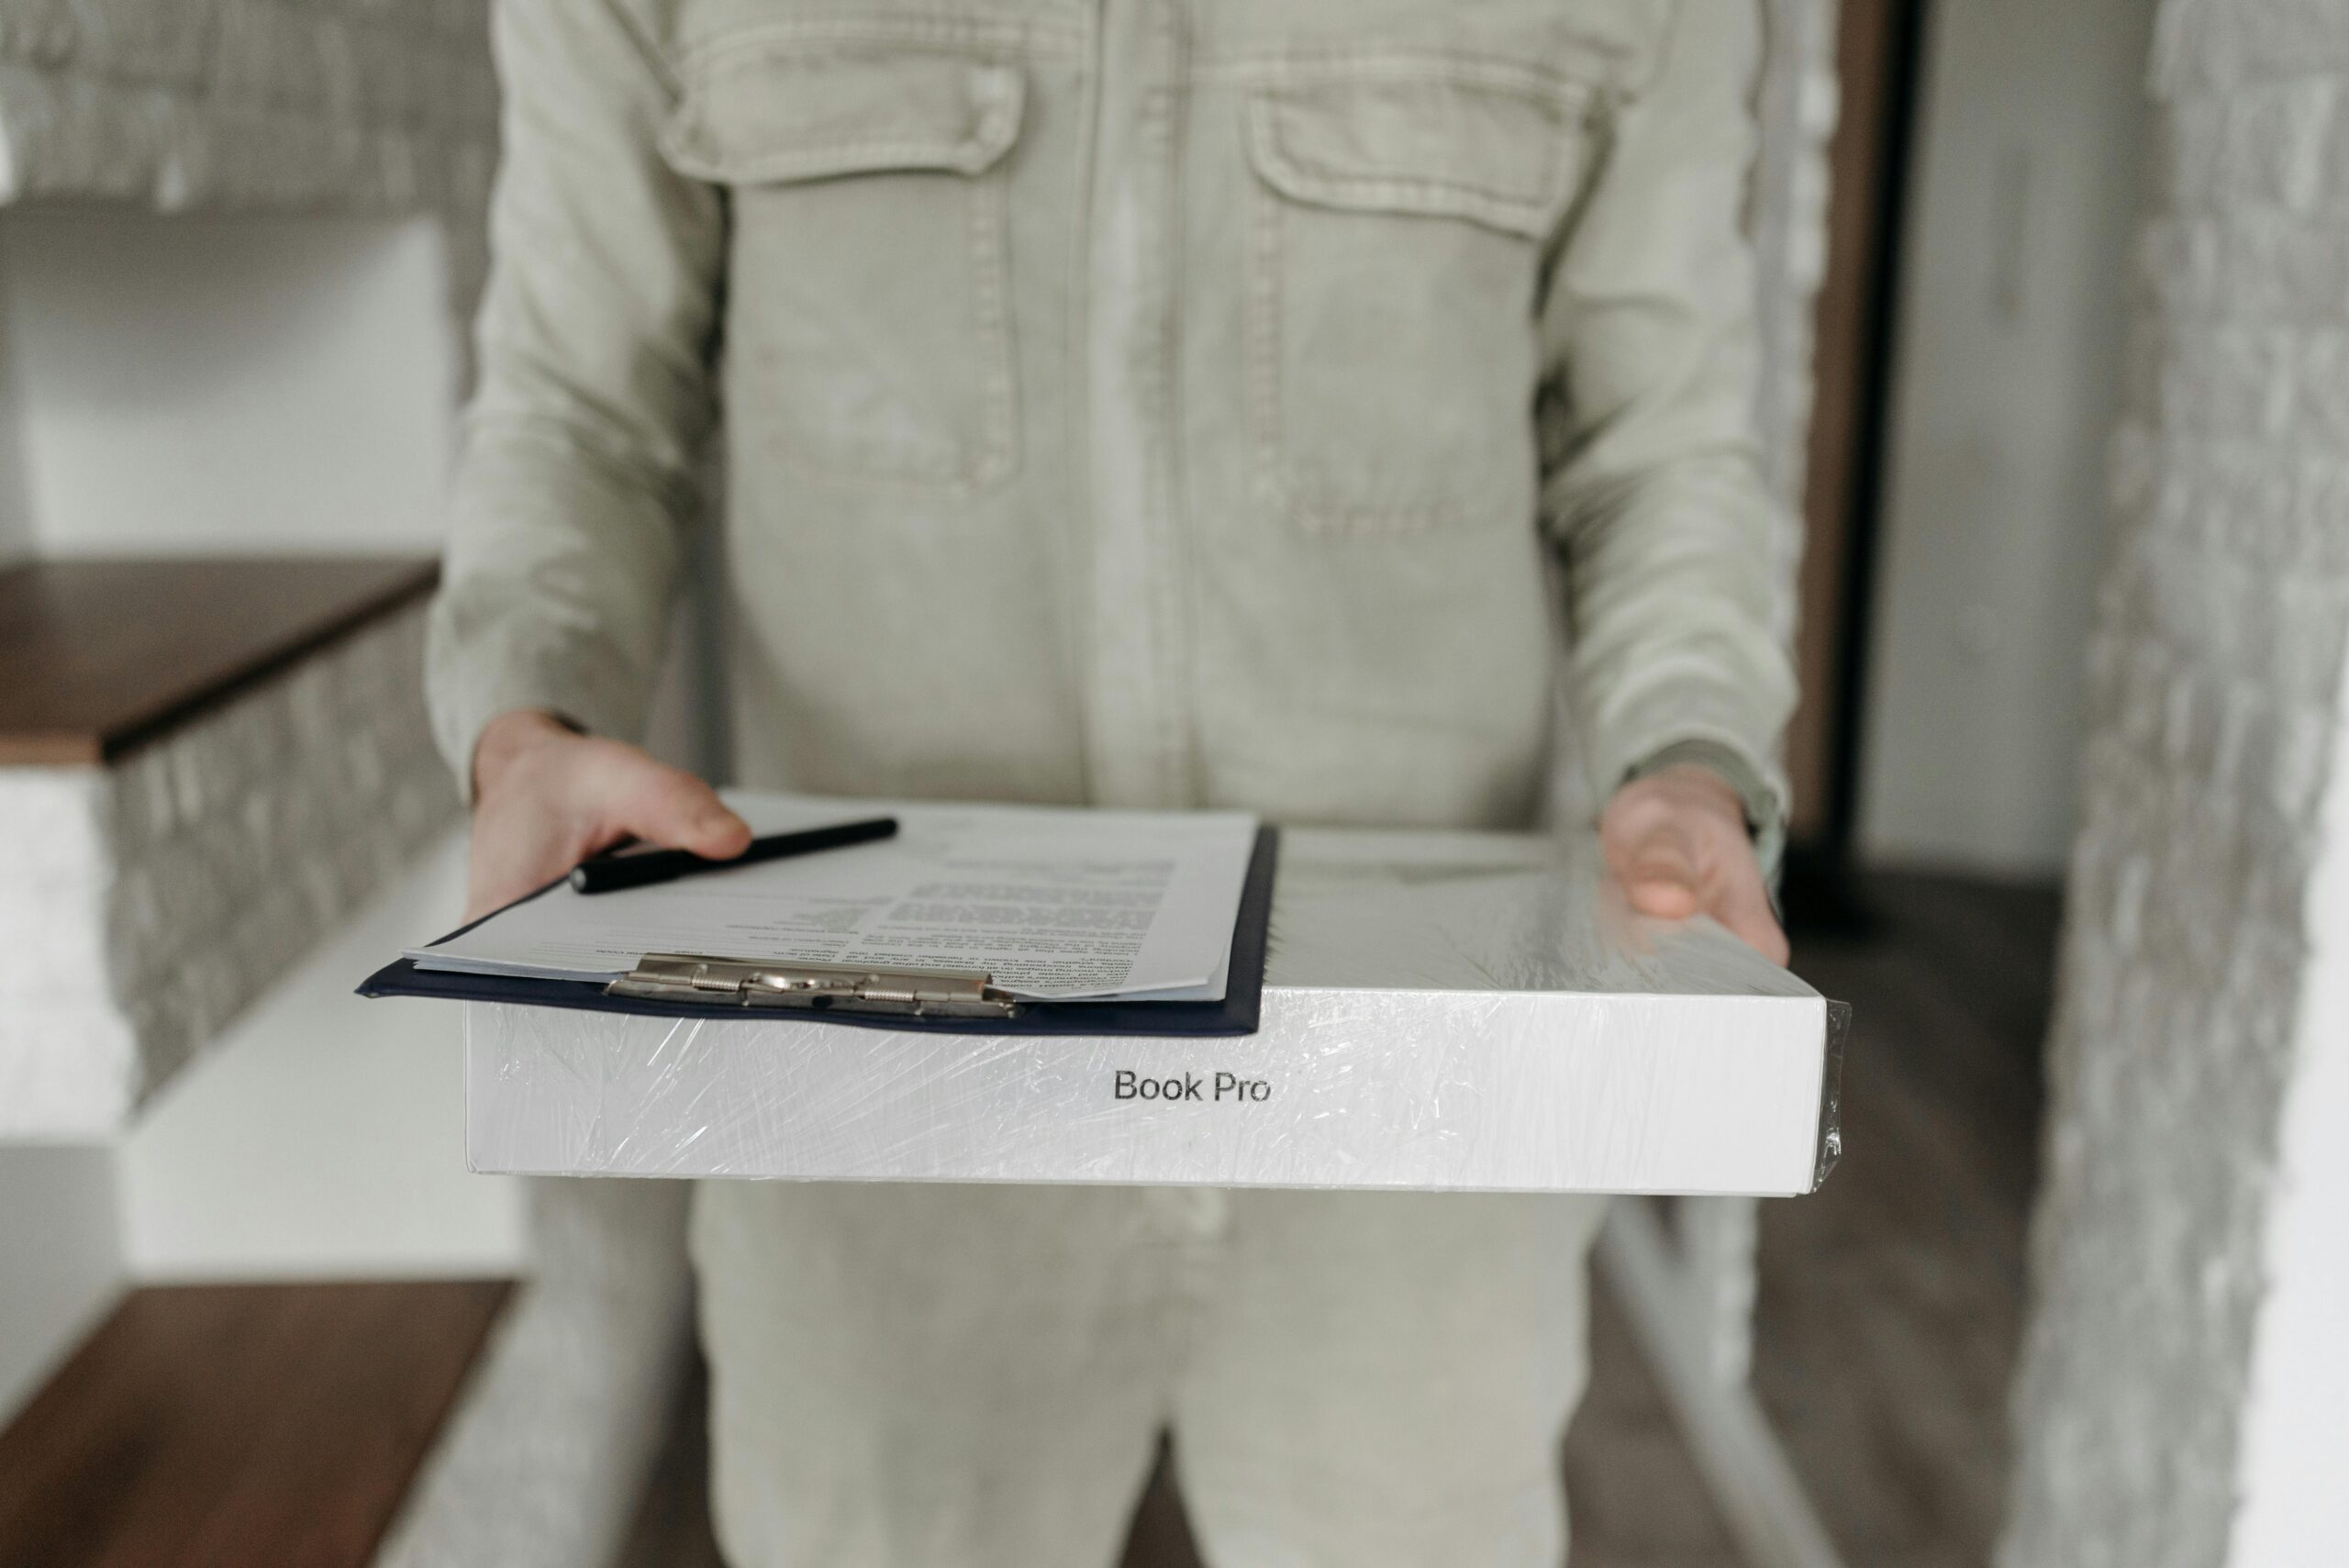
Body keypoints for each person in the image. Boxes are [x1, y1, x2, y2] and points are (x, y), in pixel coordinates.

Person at [431, 1, 1798, 1562]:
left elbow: (1659, 450)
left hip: (1406, 1147)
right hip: (885, 1126)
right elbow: (585, 404)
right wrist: (530, 714)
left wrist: (1689, 752)